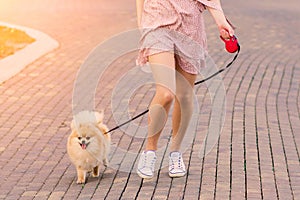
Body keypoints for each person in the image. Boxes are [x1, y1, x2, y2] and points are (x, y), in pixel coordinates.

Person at [135, 0, 235, 179]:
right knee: (166, 93)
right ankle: (149, 152)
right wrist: (140, 23)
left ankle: (175, 152)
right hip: (156, 22)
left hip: (190, 26)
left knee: (184, 96)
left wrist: (221, 22)